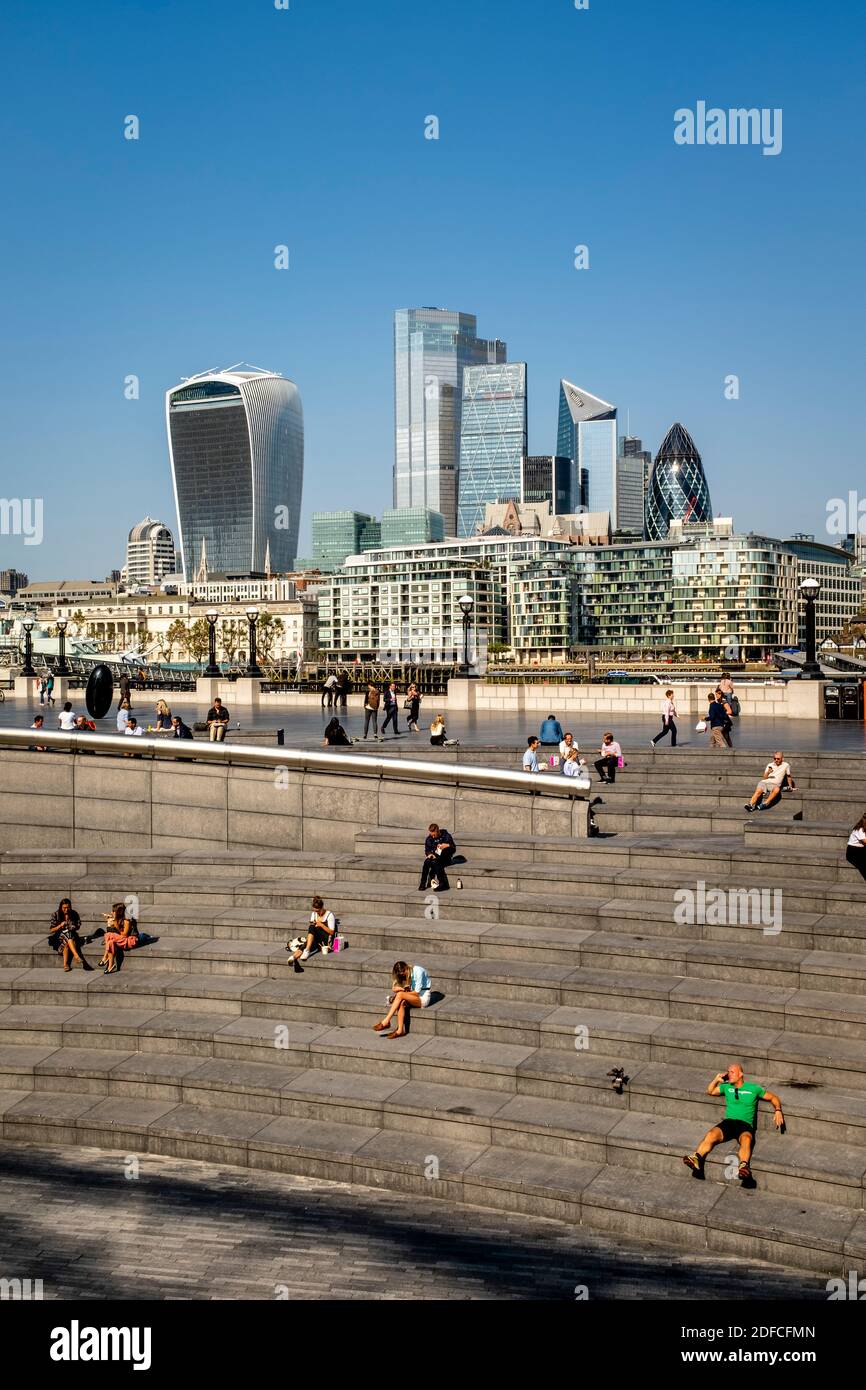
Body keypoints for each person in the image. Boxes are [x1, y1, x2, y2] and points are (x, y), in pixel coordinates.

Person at [682, 1063, 784, 1184]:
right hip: (729, 1123)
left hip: (745, 1124)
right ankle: (696, 1158)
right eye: (728, 1072)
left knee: (746, 1139)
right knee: (711, 1134)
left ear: (740, 1074)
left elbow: (773, 1098)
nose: (728, 1074)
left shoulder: (753, 1089)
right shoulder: (726, 1087)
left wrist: (778, 1110)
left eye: (732, 1072)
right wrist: (716, 1079)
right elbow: (710, 1091)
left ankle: (744, 1166)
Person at [373, 961, 433, 1038]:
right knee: (401, 1002)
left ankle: (386, 1021)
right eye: (401, 974)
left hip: (423, 998)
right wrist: (401, 989)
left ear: (406, 967)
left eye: (404, 972)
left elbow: (417, 992)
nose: (404, 975)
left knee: (400, 995)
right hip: (414, 996)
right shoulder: (408, 973)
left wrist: (402, 993)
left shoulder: (418, 971)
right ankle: (400, 1030)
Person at [286, 896, 337, 973]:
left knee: (312, 928)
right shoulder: (314, 914)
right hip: (316, 938)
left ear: (322, 907)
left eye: (318, 911)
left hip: (326, 940)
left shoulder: (329, 915)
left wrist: (321, 925)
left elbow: (332, 932)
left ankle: (306, 950)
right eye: (315, 911)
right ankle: (293, 957)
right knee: (308, 939)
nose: (316, 913)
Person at [48, 898, 93, 972]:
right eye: (64, 908)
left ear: (70, 907)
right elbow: (51, 930)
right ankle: (76, 956)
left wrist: (74, 927)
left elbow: (78, 925)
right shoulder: (55, 914)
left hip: (71, 936)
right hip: (59, 937)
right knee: (67, 936)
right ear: (60, 907)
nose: (66, 909)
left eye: (68, 907)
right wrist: (60, 926)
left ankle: (66, 965)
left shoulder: (74, 913)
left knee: (67, 940)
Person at [99, 901, 140, 974]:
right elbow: (113, 931)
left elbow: (124, 935)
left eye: (113, 911)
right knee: (110, 942)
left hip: (131, 940)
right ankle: (111, 965)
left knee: (108, 935)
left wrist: (115, 924)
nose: (112, 912)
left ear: (119, 912)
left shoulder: (127, 920)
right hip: (121, 939)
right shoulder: (119, 918)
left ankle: (105, 957)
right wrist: (109, 922)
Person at [419, 823, 456, 892]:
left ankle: (444, 884)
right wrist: (429, 854)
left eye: (434, 834)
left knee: (435, 862)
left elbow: (453, 848)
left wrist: (447, 845)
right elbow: (427, 850)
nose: (432, 836)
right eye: (431, 834)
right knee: (427, 862)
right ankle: (422, 883)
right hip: (435, 857)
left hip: (445, 857)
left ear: (438, 831)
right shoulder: (429, 839)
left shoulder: (446, 836)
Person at [846, 815, 866, 881]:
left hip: (861, 850)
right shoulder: (860, 829)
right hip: (853, 852)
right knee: (863, 865)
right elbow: (865, 841)